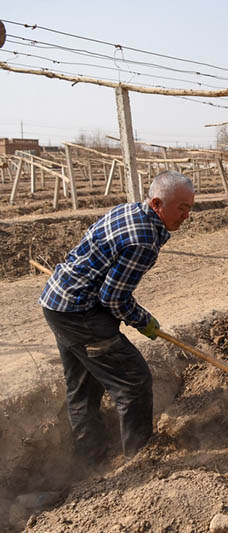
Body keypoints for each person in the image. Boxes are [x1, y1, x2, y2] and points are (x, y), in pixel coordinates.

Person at [39, 170, 195, 463]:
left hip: (57, 303)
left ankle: (90, 464)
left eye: (190, 208)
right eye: (182, 208)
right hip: (79, 313)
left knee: (83, 389)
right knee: (133, 382)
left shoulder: (129, 210)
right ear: (157, 204)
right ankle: (140, 461)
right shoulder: (144, 240)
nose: (187, 215)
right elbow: (113, 298)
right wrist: (142, 319)